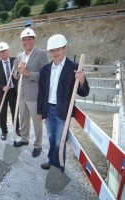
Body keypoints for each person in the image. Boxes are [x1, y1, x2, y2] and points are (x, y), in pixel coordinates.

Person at [37, 34, 90, 171]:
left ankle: (59, 165)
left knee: (59, 141)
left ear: (65, 48)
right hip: (48, 110)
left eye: (58, 49)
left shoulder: (74, 68)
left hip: (63, 111)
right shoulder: (46, 70)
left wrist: (82, 80)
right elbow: (41, 92)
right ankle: (52, 160)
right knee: (50, 137)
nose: (55, 53)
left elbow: (84, 92)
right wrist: (39, 110)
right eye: (53, 50)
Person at [13, 28, 49, 158]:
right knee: (23, 119)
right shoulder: (19, 56)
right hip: (21, 94)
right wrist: (18, 71)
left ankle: (38, 145)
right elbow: (16, 76)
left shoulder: (41, 54)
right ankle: (24, 139)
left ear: (34, 40)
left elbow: (46, 75)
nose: (26, 41)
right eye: (24, 39)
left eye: (29, 39)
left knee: (36, 121)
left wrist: (28, 73)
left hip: (34, 95)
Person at [0, 42, 20, 140]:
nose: (3, 53)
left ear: (8, 51)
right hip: (2, 92)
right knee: (2, 112)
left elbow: (19, 73)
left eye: (4, 51)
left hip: (13, 91)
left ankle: (17, 129)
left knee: (15, 111)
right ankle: (4, 131)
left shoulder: (15, 61)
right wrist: (2, 87)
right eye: (1, 51)